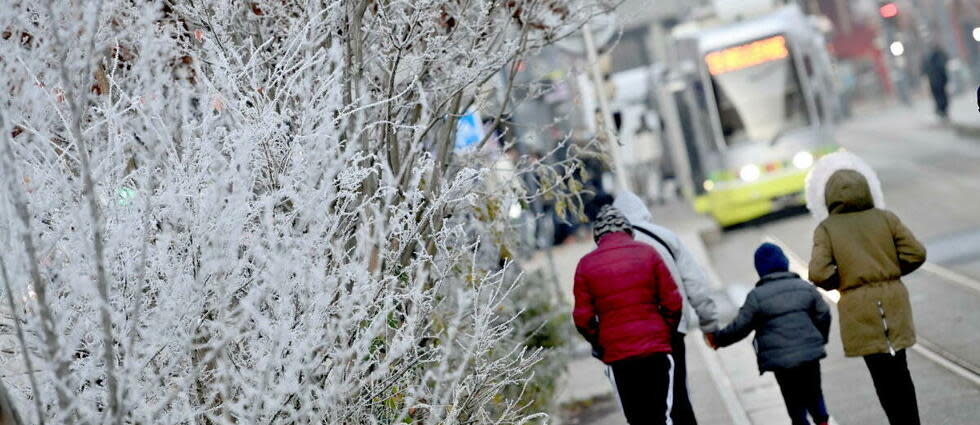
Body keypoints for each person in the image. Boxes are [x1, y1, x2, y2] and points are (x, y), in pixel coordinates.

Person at [806, 152, 926, 425]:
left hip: (859, 311)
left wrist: (845, 281)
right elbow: (916, 253)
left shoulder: (826, 229)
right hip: (894, 301)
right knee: (901, 370)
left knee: (881, 376)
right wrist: (891, 273)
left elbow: (818, 272)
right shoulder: (885, 218)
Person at [613, 191, 719, 425]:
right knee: (677, 394)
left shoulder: (602, 249)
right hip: (669, 329)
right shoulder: (664, 237)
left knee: (641, 405)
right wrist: (709, 324)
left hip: (624, 341)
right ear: (644, 213)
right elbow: (696, 282)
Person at [573, 205, 683, 425]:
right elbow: (673, 302)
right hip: (655, 349)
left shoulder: (586, 265)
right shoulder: (648, 253)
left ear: (598, 236)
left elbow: (582, 319)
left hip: (619, 357)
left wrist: (600, 342)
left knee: (637, 418)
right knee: (661, 416)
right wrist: (664, 331)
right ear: (626, 229)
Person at [709, 243, 832, 425]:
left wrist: (718, 339)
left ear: (760, 269)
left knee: (793, 400)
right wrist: (818, 338)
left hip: (781, 361)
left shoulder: (756, 297)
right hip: (809, 355)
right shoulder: (804, 287)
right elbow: (824, 314)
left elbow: (740, 326)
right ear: (784, 262)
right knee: (814, 392)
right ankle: (822, 421)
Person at [922, 44, 950, 119]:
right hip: (939, 79)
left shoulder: (930, 58)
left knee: (939, 95)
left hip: (935, 80)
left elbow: (924, 69)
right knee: (941, 94)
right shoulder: (938, 56)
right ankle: (942, 109)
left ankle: (941, 109)